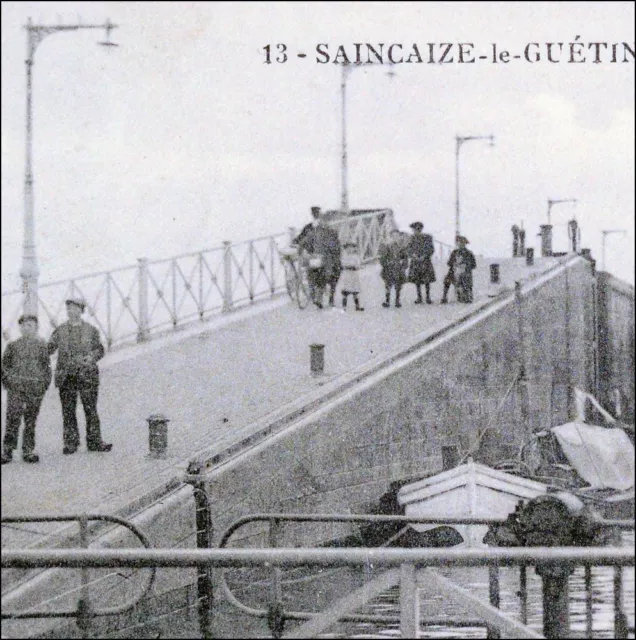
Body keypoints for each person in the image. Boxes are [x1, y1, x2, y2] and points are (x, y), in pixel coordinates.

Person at [48, 297, 112, 454]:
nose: (72, 311)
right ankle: (71, 443)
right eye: (69, 308)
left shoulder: (91, 330)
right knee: (68, 411)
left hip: (86, 375)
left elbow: (100, 349)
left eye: (75, 308)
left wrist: (91, 357)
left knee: (90, 409)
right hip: (66, 376)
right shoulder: (60, 330)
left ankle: (95, 441)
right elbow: (49, 348)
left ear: (81, 311)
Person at [1, 315, 51, 464]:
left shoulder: (42, 346)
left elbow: (46, 368)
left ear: (36, 328)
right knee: (12, 418)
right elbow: (4, 367)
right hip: (16, 389)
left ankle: (28, 450)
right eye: (23, 325)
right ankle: (7, 451)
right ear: (20, 328)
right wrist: (9, 382)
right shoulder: (12, 346)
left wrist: (43, 386)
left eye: (30, 325)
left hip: (35, 389)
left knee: (30, 420)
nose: (26, 328)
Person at [297, 208, 342, 309]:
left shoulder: (313, 232)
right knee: (332, 273)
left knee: (316, 275)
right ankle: (328, 298)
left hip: (316, 259)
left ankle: (318, 297)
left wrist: (302, 250)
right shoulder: (331, 233)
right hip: (325, 260)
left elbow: (304, 242)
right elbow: (335, 247)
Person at [441, 236, 477, 303]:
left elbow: (474, 265)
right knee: (447, 280)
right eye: (460, 243)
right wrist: (454, 265)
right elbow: (449, 263)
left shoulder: (469, 253)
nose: (461, 244)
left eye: (463, 243)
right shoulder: (454, 252)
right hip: (454, 272)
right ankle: (444, 297)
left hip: (465, 272)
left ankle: (467, 295)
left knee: (465, 280)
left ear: (465, 244)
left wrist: (465, 266)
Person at [407, 221, 436, 304]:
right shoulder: (411, 238)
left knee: (427, 280)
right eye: (415, 229)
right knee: (417, 280)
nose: (416, 231)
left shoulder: (428, 237)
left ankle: (428, 297)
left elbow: (431, 249)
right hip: (416, 261)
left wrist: (425, 255)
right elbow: (408, 249)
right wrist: (413, 255)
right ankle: (419, 297)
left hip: (425, 261)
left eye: (418, 229)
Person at [379, 229, 409, 308]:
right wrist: (385, 263)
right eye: (393, 236)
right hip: (389, 268)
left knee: (398, 285)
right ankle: (387, 300)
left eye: (397, 236)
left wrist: (404, 266)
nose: (395, 238)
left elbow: (405, 258)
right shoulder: (387, 246)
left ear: (399, 237)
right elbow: (382, 258)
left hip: (398, 268)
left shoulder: (402, 247)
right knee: (388, 285)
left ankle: (397, 300)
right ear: (391, 237)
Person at [340, 242, 364, 311]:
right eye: (348, 248)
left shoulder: (355, 256)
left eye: (351, 248)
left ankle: (357, 306)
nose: (349, 250)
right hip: (347, 274)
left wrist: (356, 266)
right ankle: (344, 307)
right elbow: (342, 264)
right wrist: (347, 266)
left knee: (355, 291)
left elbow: (358, 264)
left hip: (354, 274)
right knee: (345, 291)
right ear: (345, 249)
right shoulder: (344, 256)